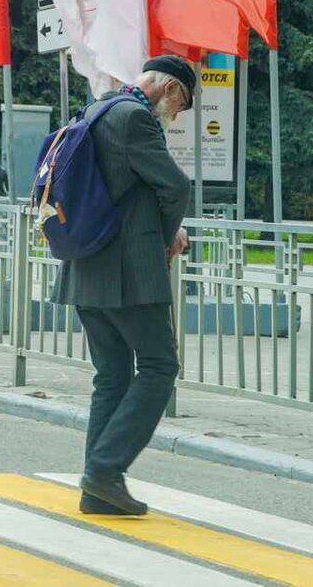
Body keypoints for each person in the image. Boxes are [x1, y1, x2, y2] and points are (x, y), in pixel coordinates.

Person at [53, 54, 193, 515]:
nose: (173, 116)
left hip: (86, 262)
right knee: (158, 366)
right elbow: (175, 186)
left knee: (112, 376)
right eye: (181, 105)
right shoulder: (136, 117)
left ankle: (97, 486)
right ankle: (105, 472)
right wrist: (167, 238)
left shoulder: (97, 108)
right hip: (128, 270)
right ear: (170, 88)